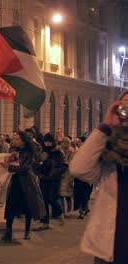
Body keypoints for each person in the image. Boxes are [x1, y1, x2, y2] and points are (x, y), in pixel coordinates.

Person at [69, 91, 128, 264]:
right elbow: (78, 169)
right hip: (109, 251)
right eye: (123, 104)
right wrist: (106, 126)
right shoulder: (109, 153)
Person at [0, 131, 46, 241]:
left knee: (27, 207)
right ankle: (8, 231)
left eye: (16, 139)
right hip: (16, 181)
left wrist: (8, 166)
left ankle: (27, 231)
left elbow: (25, 168)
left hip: (26, 183)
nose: (14, 141)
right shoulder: (15, 151)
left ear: (23, 141)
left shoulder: (30, 153)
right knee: (10, 206)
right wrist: (10, 159)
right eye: (13, 139)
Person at [36, 133, 67, 229]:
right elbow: (37, 166)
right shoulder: (42, 153)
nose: (47, 143)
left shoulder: (57, 153)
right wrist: (42, 162)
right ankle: (45, 222)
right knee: (44, 201)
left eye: (49, 141)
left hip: (54, 180)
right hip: (44, 179)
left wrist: (55, 173)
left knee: (53, 199)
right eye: (46, 141)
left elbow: (63, 166)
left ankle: (59, 213)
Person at [59, 137, 75, 215]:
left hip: (68, 174)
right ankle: (62, 210)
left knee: (67, 193)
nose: (64, 143)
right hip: (60, 173)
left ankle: (69, 205)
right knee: (60, 193)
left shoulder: (72, 151)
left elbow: (72, 162)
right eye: (63, 141)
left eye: (66, 142)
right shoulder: (59, 150)